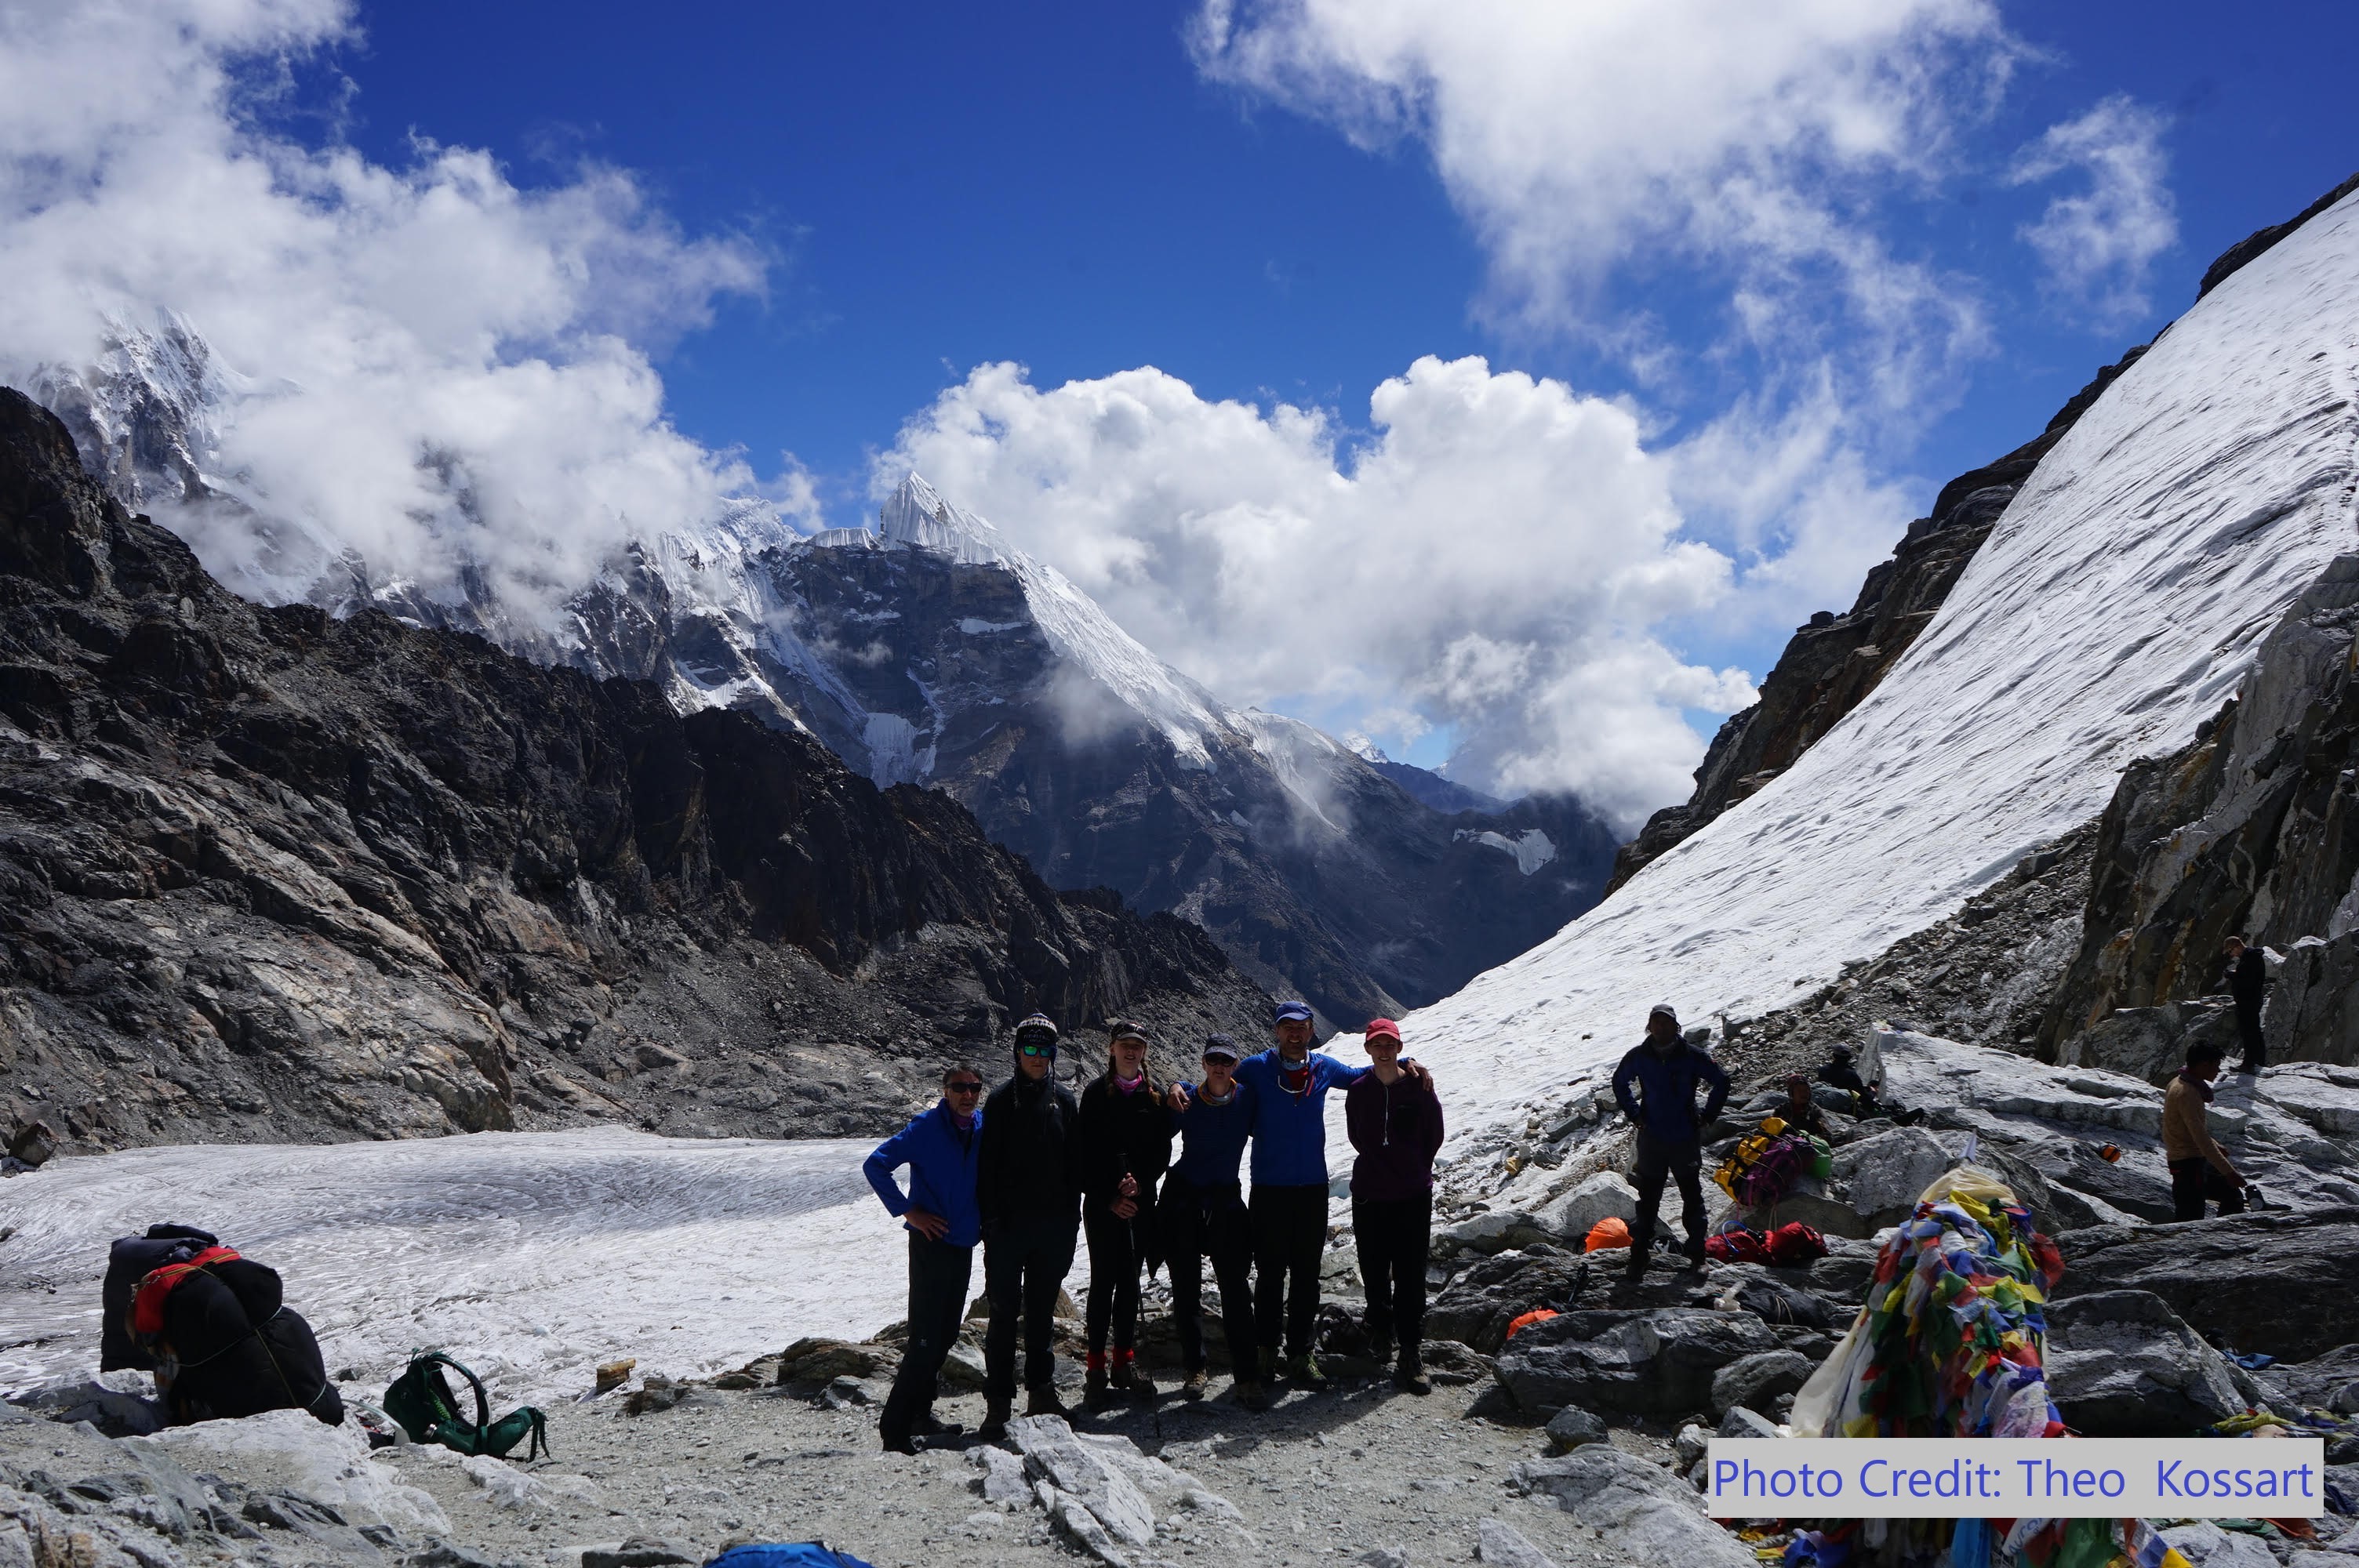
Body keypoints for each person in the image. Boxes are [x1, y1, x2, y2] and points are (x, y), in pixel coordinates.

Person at [1230, 1000, 1430, 1391]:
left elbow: (1365, 1075)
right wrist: (1177, 1088)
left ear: (1310, 1031)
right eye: (1287, 1027)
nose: (1295, 1034)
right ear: (1276, 1031)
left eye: (1301, 1027)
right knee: (1270, 1273)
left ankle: (1302, 1353)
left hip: (1311, 1189)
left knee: (1306, 1276)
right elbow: (1216, 1079)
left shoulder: (1323, 1068)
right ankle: (1266, 1352)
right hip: (1269, 1188)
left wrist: (1410, 1065)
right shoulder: (1255, 1067)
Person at [863, 1062, 986, 1454]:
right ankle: (894, 1428)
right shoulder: (926, 1127)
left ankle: (920, 1413)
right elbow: (876, 1165)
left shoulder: (982, 1126)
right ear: (945, 1090)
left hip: (963, 1241)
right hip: (931, 1242)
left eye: (974, 1088)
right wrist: (906, 1211)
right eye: (959, 1087)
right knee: (926, 1337)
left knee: (947, 1331)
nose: (968, 1095)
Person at [977, 1012, 1082, 1437]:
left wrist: (1070, 1225)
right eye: (1030, 1049)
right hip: (1007, 1231)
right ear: (1018, 1051)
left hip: (1052, 1231)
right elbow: (986, 1170)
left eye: (1046, 1050)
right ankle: (998, 1404)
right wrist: (991, 1223)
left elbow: (1076, 1167)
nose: (1038, 1057)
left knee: (1041, 1316)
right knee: (1003, 1315)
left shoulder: (1066, 1102)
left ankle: (1042, 1392)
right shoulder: (1000, 1102)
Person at [1158, 1035, 1263, 1408]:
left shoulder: (1248, 1097)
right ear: (1204, 1063)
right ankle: (1194, 1368)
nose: (1220, 1066)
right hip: (1185, 1201)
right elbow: (1159, 1117)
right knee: (1185, 1288)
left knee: (1235, 1290)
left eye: (1226, 1061)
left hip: (1223, 1202)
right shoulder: (1186, 1097)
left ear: (1235, 1065)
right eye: (1213, 1060)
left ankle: (1247, 1375)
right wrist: (1171, 1088)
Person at [1074, 1021, 1172, 1408]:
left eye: (1138, 1045)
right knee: (1103, 1284)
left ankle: (1122, 1362)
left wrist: (1142, 1183)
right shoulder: (1095, 1094)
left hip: (1140, 1201)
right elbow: (1082, 1155)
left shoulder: (1155, 1096)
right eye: (1125, 1045)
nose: (1132, 1051)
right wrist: (1109, 1196)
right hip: (1103, 1206)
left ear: (1144, 1051)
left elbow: (1162, 1152)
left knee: (1129, 1284)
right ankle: (1096, 1368)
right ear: (1112, 1049)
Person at [1344, 1018, 1444, 1396]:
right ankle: (1382, 1333)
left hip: (1411, 1193)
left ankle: (1411, 1350)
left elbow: (1435, 1132)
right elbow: (1356, 1136)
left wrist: (1416, 1166)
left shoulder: (1418, 1085)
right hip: (1370, 1191)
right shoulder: (1359, 1090)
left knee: (1410, 1271)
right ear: (1369, 1049)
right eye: (1377, 1045)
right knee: (1373, 1268)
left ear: (1399, 1048)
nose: (1384, 1051)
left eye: (1390, 1044)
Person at [1612, 1003, 1728, 1279]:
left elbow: (1722, 1080)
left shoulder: (1691, 1055)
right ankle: (1639, 1257)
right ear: (1649, 1026)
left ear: (1676, 1026)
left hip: (1684, 1136)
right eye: (1656, 1022)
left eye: (1666, 1023)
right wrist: (1634, 1114)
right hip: (1652, 1137)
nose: (1661, 1027)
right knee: (1648, 1199)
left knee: (1691, 1196)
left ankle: (1697, 1256)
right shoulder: (1639, 1056)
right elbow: (1619, 1081)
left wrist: (1709, 1114)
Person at [2165, 1041, 2249, 1221]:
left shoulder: (2178, 1082)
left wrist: (2217, 1145)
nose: (2218, 1071)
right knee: (2190, 1219)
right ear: (2204, 1065)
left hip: (2189, 1160)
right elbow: (2200, 1138)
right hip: (2188, 1163)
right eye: (2216, 1065)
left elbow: (2191, 1128)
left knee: (2232, 1196)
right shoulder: (2187, 1093)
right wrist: (2229, 1172)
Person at [2223, 936, 2269, 1073]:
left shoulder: (2252, 958)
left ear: (2237, 947)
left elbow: (2248, 980)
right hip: (2249, 1000)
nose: (2232, 955)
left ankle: (2249, 1064)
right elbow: (2247, 975)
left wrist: (2232, 976)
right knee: (2254, 1031)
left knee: (2249, 1032)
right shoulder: (2250, 957)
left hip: (2249, 1001)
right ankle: (2258, 1062)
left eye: (2231, 951)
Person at [1776, 1073, 1833, 1141]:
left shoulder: (1814, 1111)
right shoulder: (1782, 1110)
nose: (1803, 1094)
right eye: (1799, 1091)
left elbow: (1827, 1134)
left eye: (1806, 1090)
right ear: (1791, 1093)